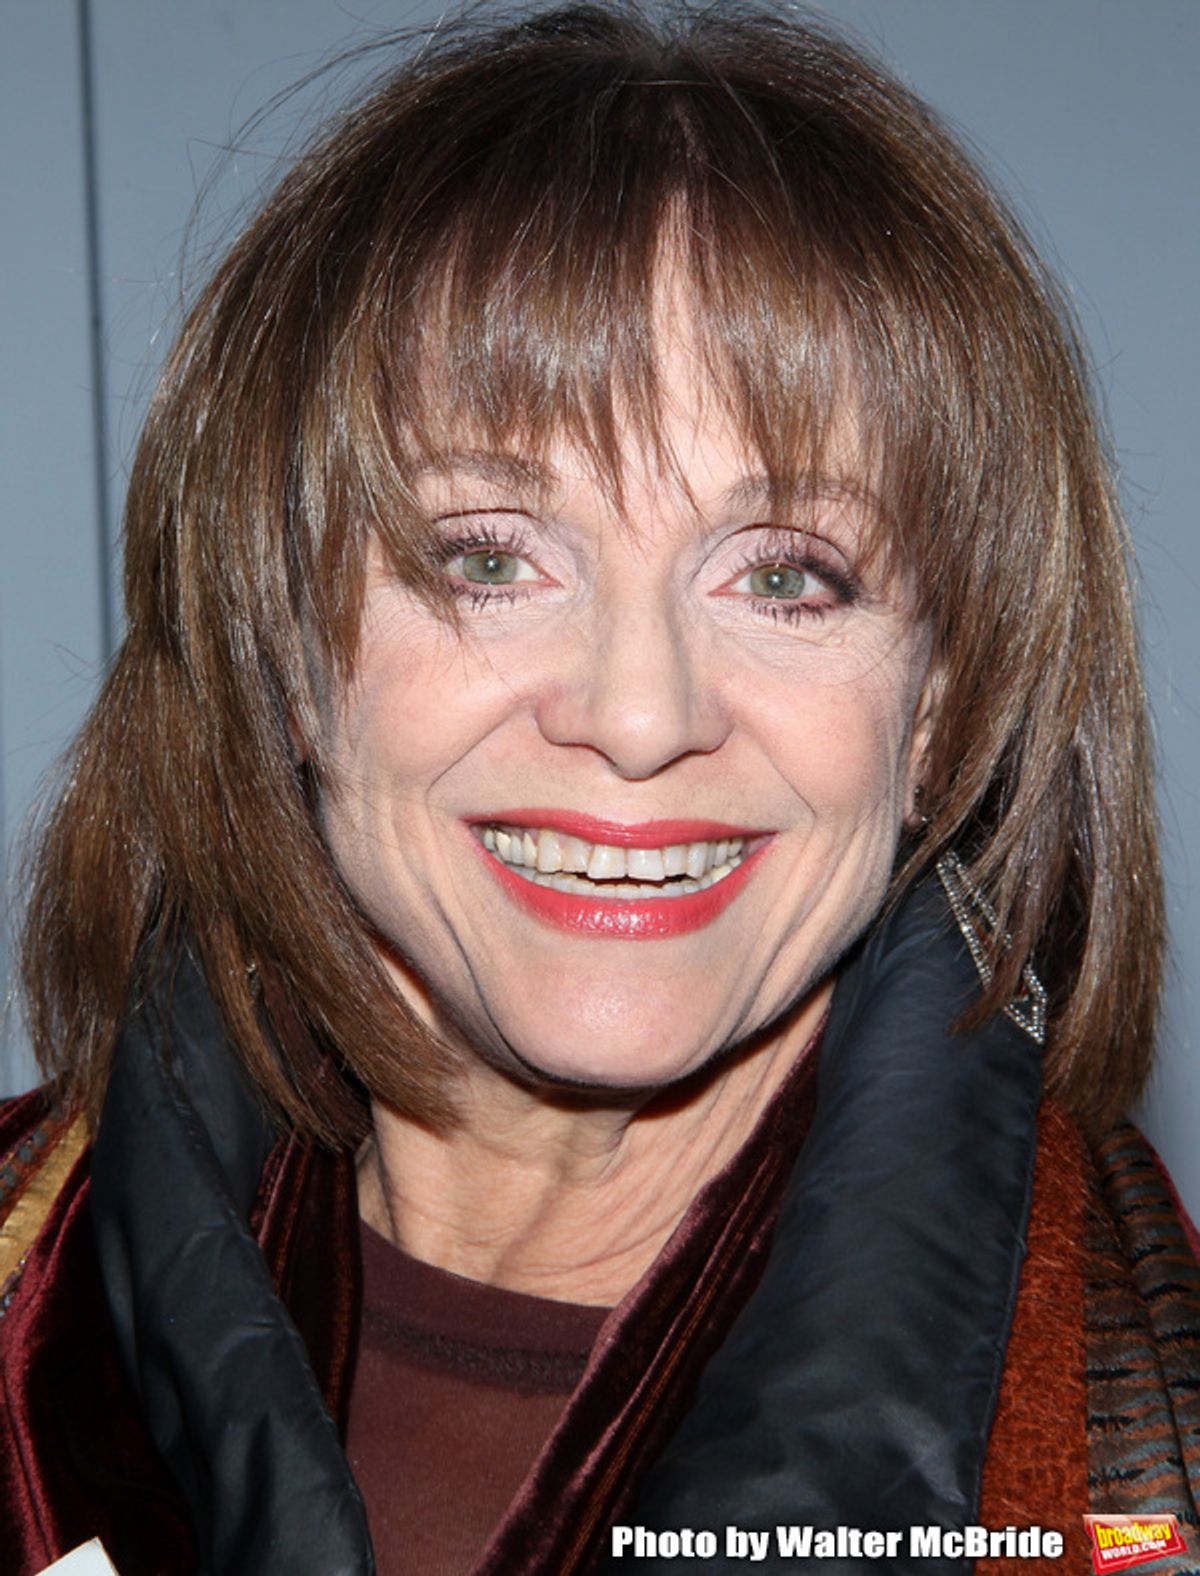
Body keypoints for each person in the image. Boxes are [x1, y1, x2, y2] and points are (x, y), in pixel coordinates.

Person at [3, 4, 1198, 1572]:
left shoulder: (1142, 1458)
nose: (639, 718)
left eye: (786, 575)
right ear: (280, 646)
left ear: (944, 704)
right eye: (489, 559)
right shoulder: (26, 1308)